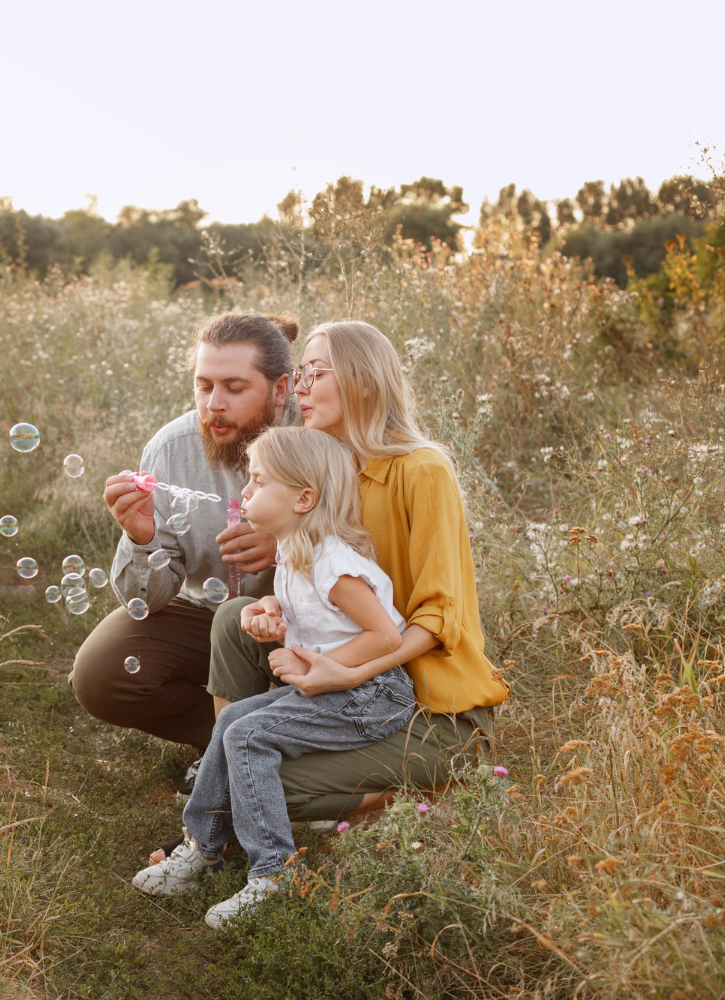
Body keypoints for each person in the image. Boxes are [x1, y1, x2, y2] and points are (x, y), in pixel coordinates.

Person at [204, 320, 511, 825]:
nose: (299, 388)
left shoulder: (421, 469)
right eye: (299, 374)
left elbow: (439, 616)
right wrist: (272, 606)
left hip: (429, 709)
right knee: (234, 617)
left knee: (269, 787)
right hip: (351, 695)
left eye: (314, 373)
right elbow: (317, 587)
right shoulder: (325, 473)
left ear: (362, 381)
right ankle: (226, 787)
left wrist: (347, 672)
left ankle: (415, 792)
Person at [131, 426, 417, 927]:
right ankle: (205, 845)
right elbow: (297, 606)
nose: (244, 493)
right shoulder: (293, 547)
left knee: (247, 736)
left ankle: (273, 873)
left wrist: (309, 663)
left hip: (372, 695)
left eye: (258, 482)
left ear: (304, 498)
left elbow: (386, 639)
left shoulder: (335, 565)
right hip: (342, 688)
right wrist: (266, 606)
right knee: (232, 721)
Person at [69, 312, 297, 753]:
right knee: (101, 673)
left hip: (301, 621)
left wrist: (286, 545)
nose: (214, 404)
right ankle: (223, 749)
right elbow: (147, 600)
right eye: (204, 385)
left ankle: (289, 750)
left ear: (280, 390)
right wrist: (140, 537)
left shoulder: (317, 439)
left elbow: (366, 548)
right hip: (204, 617)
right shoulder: (171, 450)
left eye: (234, 388)